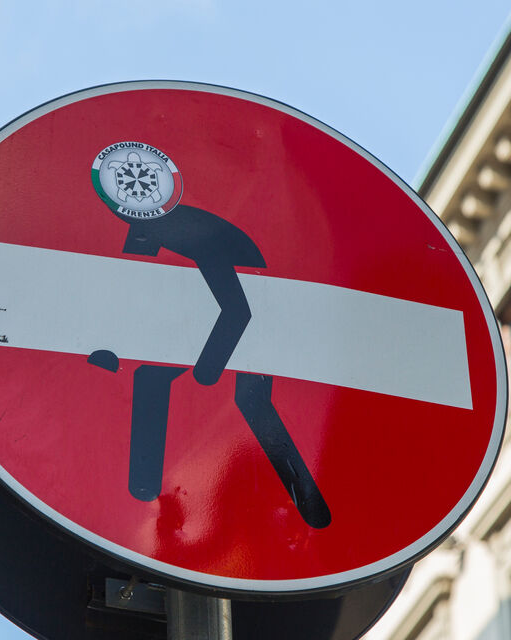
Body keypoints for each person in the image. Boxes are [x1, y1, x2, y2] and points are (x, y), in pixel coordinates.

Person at [89, 148, 330, 529]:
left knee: (252, 401)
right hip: (202, 309)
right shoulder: (146, 231)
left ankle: (310, 508)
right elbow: (131, 283)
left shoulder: (202, 237)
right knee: (152, 376)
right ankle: (142, 496)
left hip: (253, 297)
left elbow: (239, 311)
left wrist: (207, 368)